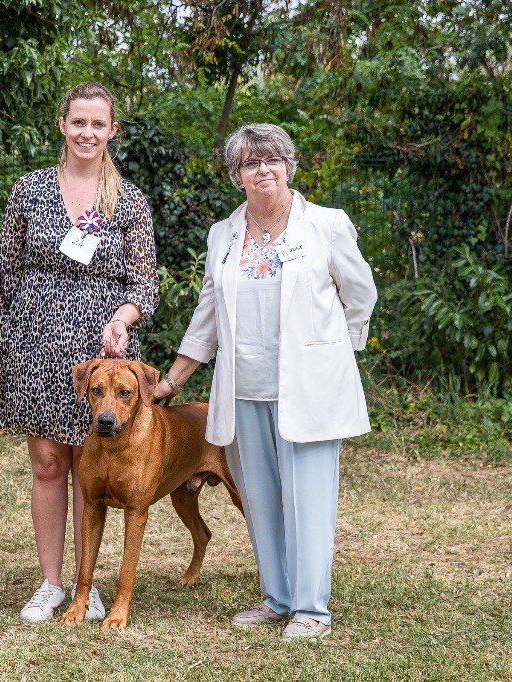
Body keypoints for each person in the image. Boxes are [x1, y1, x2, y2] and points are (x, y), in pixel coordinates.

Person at [152, 123, 377, 641]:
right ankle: (277, 598)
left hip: (310, 388)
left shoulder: (326, 224)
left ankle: (312, 609)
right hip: (243, 388)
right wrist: (173, 380)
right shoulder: (223, 235)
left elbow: (360, 295)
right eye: (251, 163)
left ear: (288, 165)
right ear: (238, 175)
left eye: (272, 159)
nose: (263, 170)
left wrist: (335, 354)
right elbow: (207, 317)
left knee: (308, 499)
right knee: (259, 497)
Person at [0, 82, 159, 622]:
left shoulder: (128, 200)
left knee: (90, 465)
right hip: (33, 341)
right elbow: (3, 272)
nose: (87, 132)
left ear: (112, 131)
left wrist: (122, 319)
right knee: (46, 464)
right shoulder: (30, 189)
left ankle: (88, 583)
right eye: (78, 122)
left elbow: (146, 284)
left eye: (98, 124)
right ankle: (51, 583)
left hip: (100, 346)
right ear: (62, 125)